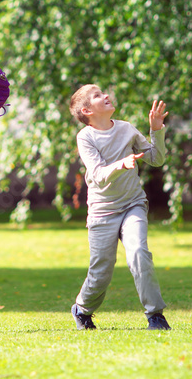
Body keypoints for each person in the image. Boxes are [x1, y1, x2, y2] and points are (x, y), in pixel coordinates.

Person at [68, 84, 171, 330]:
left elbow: (156, 159)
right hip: (102, 212)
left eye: (103, 92)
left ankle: (155, 315)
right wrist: (121, 164)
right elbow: (97, 175)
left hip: (132, 204)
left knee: (138, 253)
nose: (105, 96)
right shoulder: (86, 137)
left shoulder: (125, 128)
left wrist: (156, 130)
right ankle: (82, 308)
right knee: (101, 270)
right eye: (97, 96)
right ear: (87, 110)